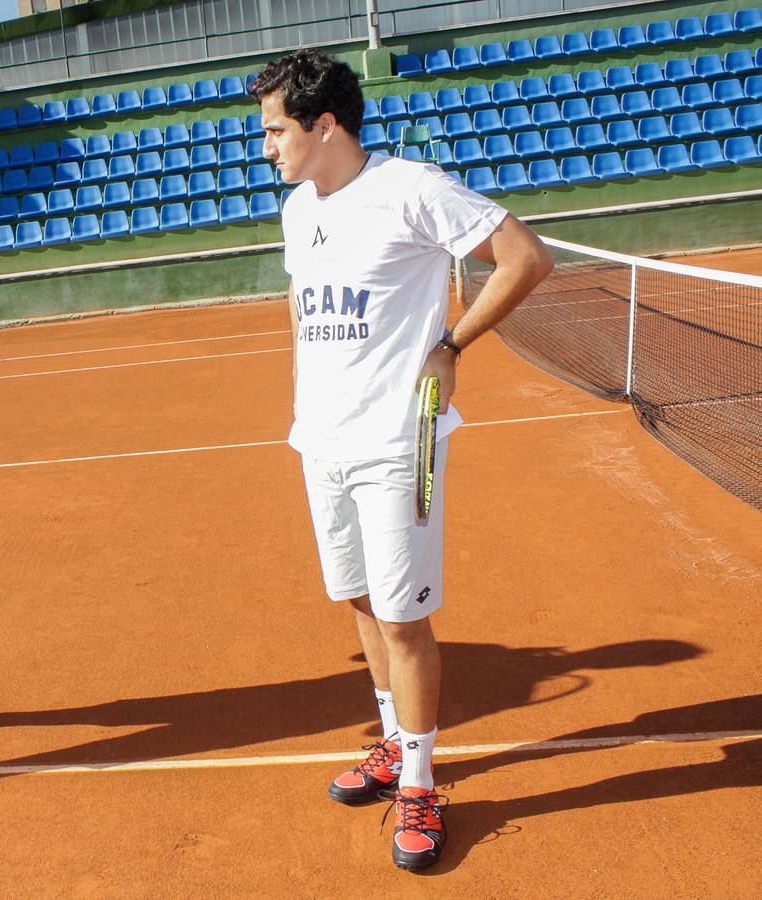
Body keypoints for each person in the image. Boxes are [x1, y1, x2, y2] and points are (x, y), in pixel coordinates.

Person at [249, 51, 553, 870]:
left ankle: (418, 781)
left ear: (324, 125)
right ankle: (391, 742)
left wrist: (450, 344)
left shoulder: (411, 187)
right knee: (355, 597)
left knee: (400, 616)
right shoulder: (294, 208)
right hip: (321, 437)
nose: (265, 144)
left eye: (275, 129)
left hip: (395, 441)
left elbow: (525, 256)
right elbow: (299, 301)